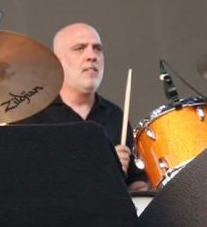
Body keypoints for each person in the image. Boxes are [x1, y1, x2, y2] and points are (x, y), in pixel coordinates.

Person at [21, 22, 148, 192]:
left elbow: (136, 183)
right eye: (80, 48)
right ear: (56, 62)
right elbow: (27, 183)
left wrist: (142, 194)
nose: (92, 55)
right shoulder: (32, 118)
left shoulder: (115, 116)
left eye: (97, 48)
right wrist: (101, 164)